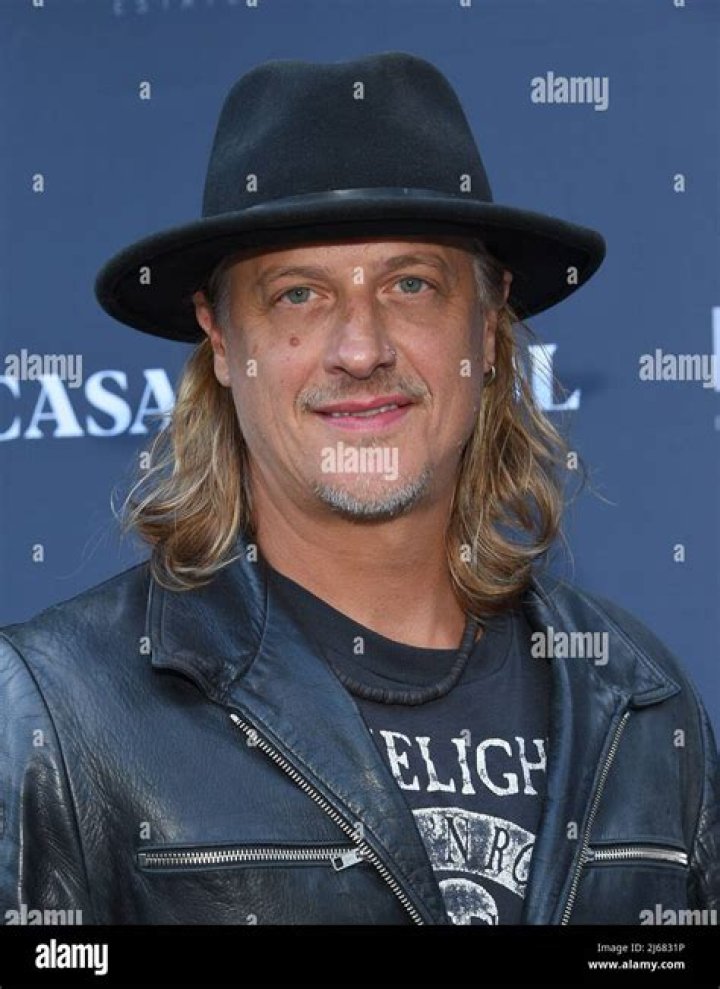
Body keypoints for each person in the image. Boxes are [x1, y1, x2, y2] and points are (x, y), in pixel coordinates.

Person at [0, 52, 717, 927]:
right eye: (298, 295)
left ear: (488, 325)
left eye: (410, 284)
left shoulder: (640, 701)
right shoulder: (59, 710)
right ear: (220, 339)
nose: (360, 348)